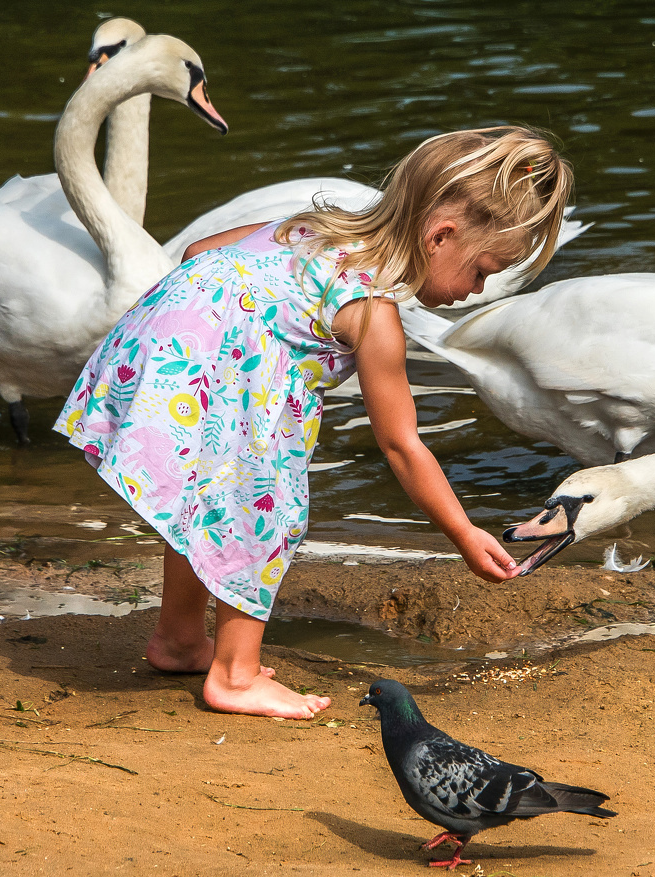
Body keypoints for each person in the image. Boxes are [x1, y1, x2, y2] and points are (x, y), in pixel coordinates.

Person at [54, 127, 574, 719]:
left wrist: (242, 321)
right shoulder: (371, 312)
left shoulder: (311, 228)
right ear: (441, 236)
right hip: (219, 362)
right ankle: (236, 674)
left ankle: (178, 639)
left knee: (206, 499)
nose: (476, 290)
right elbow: (401, 445)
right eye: (482, 270)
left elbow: (200, 253)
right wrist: (462, 533)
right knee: (264, 507)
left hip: (157, 344)